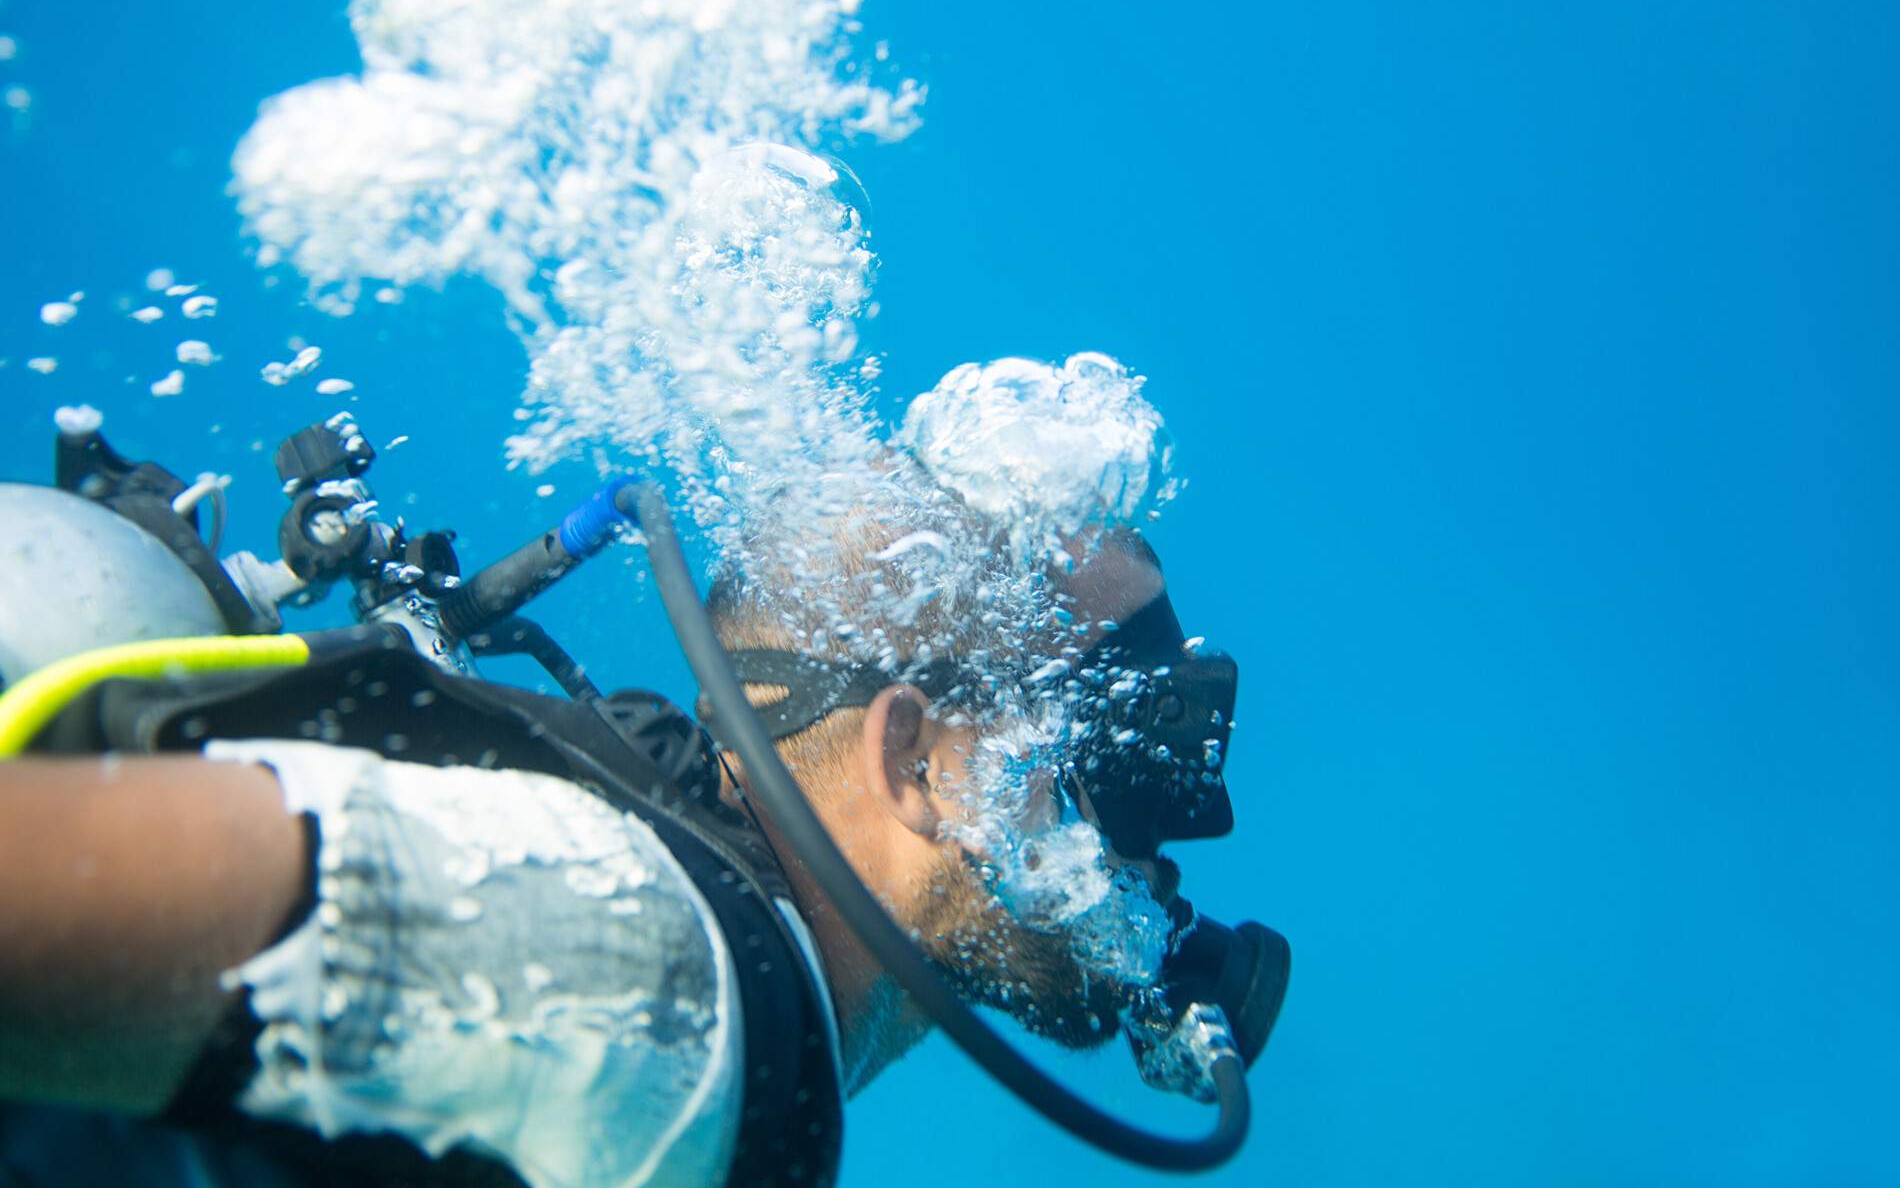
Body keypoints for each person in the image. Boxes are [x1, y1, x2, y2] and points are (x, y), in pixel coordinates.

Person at [0, 476, 1219, 1188]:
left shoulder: (725, 1022)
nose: (1158, 855)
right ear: (916, 763)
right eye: (1107, 762)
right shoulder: (647, 976)